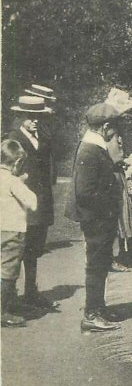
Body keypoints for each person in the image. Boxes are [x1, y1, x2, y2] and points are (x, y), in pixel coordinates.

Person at [67, 102, 122, 332]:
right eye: (114, 128)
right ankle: (91, 314)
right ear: (106, 126)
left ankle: (99, 308)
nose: (116, 133)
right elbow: (85, 192)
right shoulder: (90, 149)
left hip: (100, 217)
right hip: (96, 218)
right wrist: (108, 207)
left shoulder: (94, 145)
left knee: (101, 263)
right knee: (96, 265)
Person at [7, 95, 59, 311]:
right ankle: (9, 300)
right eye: (30, 116)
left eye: (38, 116)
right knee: (17, 250)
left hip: (41, 201)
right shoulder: (13, 138)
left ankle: (31, 291)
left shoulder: (43, 137)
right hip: (21, 201)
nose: (35, 120)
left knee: (34, 249)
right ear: (21, 116)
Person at [0, 139, 37, 327]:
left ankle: (7, 304)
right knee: (9, 270)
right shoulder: (13, 181)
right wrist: (23, 183)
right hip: (12, 230)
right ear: (16, 162)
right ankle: (3, 311)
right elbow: (32, 202)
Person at [104, 88, 132, 270]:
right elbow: (113, 154)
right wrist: (124, 160)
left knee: (123, 212)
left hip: (118, 173)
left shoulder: (116, 127)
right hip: (112, 175)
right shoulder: (109, 129)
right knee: (116, 214)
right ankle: (114, 256)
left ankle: (125, 251)